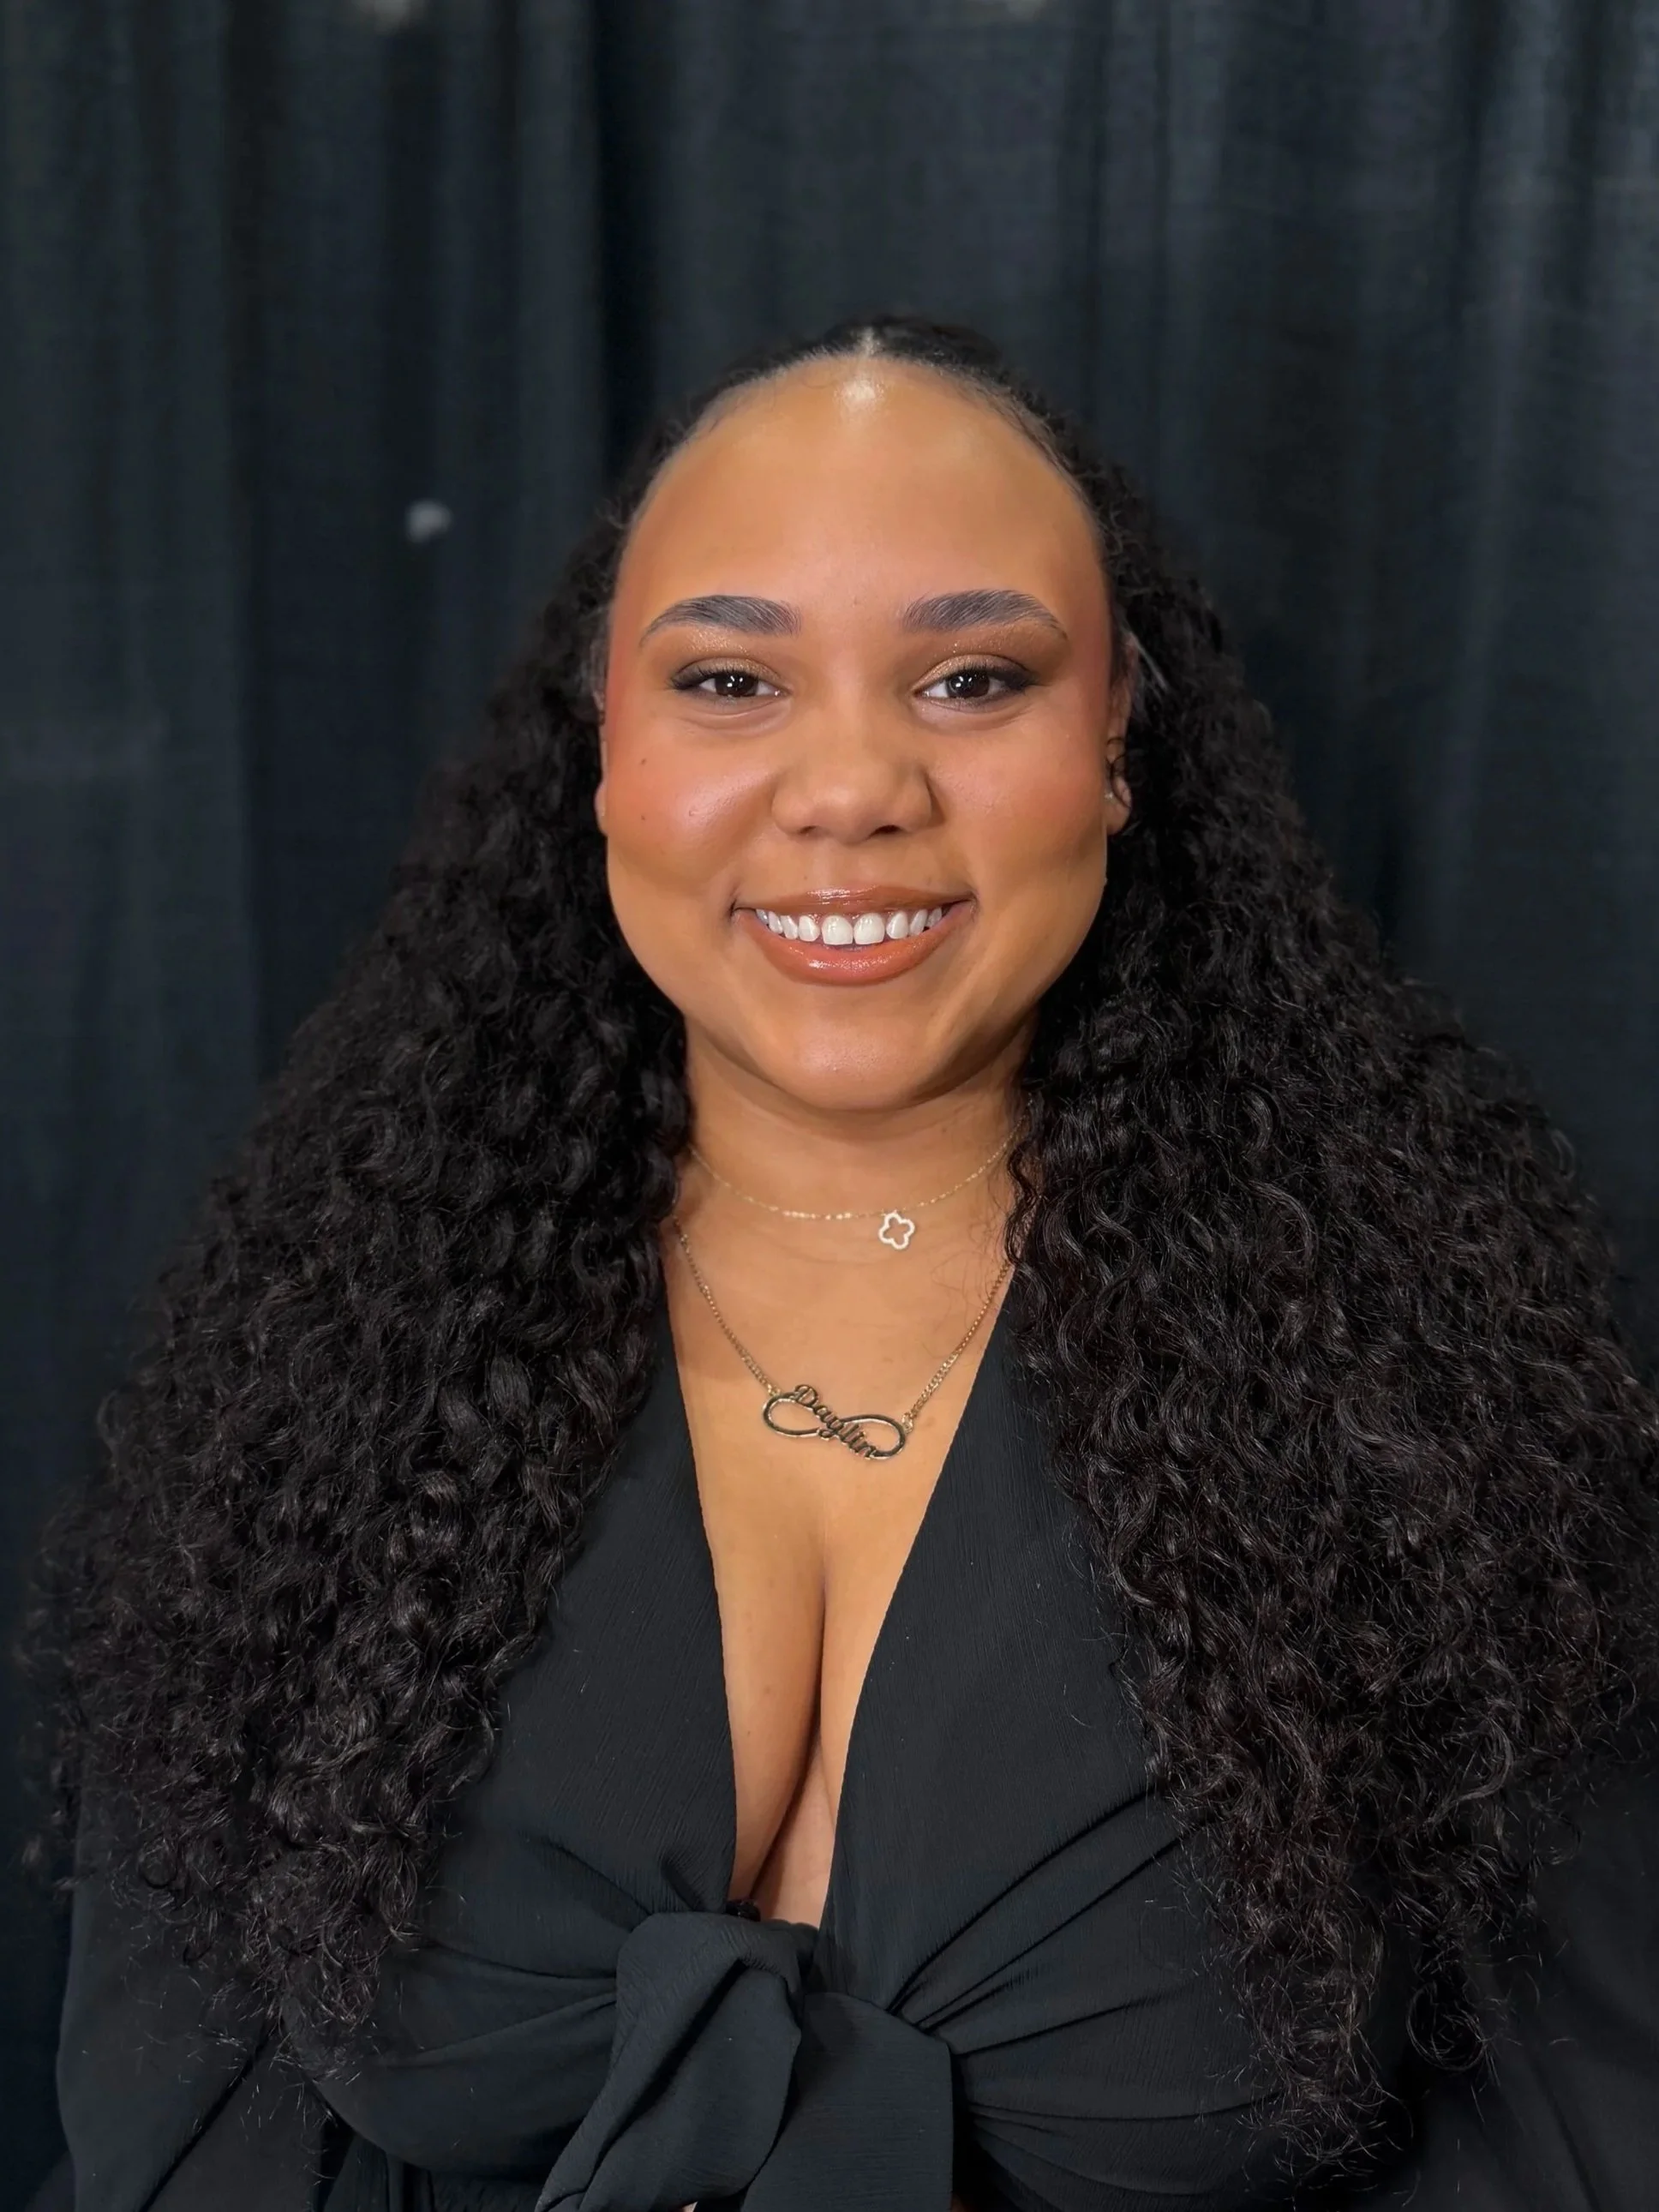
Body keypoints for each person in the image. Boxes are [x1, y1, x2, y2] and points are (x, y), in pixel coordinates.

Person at [31, 315, 1659, 2211]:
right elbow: (180, 2135)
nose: (849, 785)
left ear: (1119, 737)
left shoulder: (1433, 1384)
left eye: (971, 677)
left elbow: (1583, 2143)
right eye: (730, 680)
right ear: (601, 752)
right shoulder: (327, 1353)